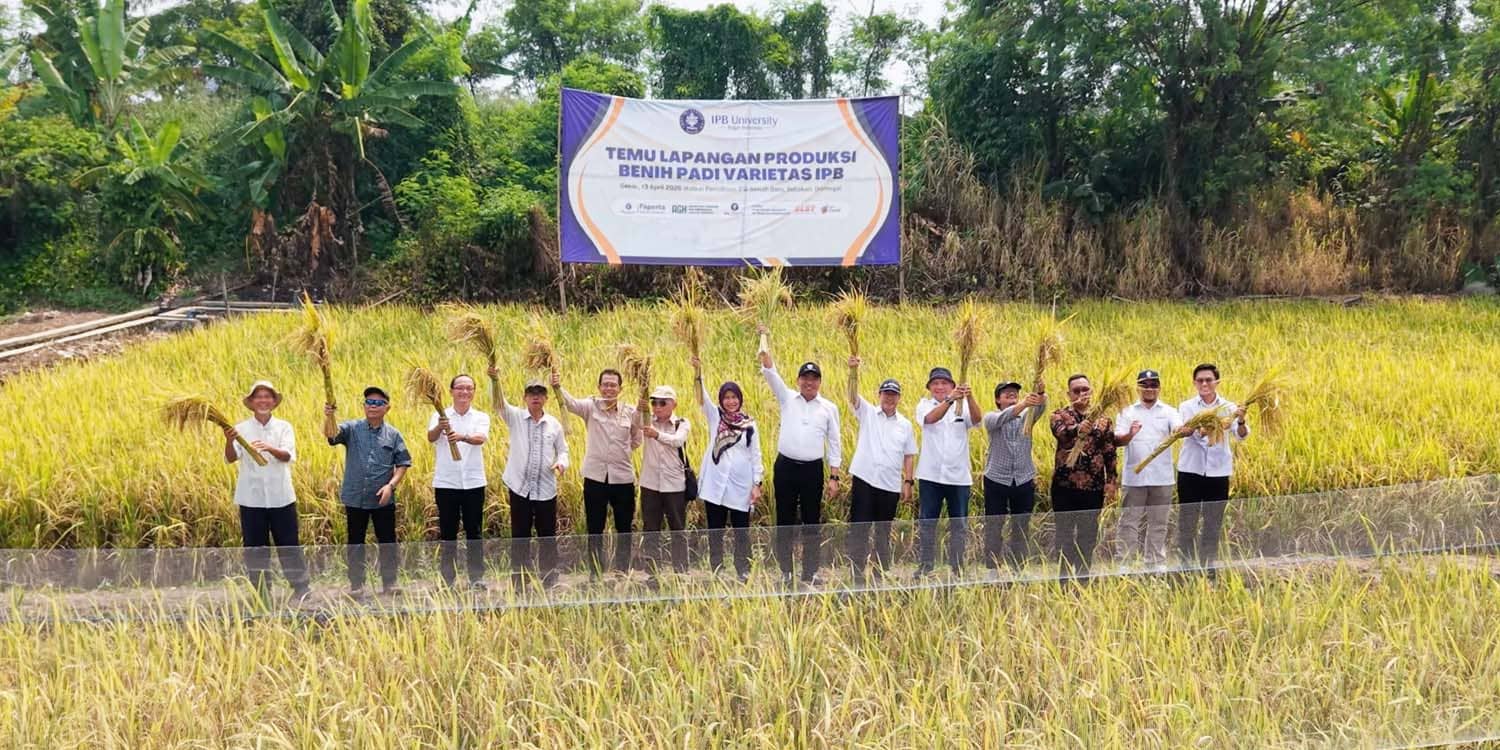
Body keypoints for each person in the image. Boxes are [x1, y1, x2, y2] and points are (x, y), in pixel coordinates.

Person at [758, 326, 842, 585]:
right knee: (784, 521)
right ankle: (785, 572)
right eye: (805, 378)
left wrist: (834, 476)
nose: (809, 382)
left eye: (814, 378)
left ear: (819, 382)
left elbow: (835, 442)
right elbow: (770, 372)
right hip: (785, 468)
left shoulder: (828, 408)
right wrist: (764, 339)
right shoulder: (787, 398)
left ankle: (810, 572)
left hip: (812, 471)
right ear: (798, 380)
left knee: (811, 522)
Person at [223, 380, 309, 600]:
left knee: (288, 544)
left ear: (273, 401)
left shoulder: (284, 427)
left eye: (267, 397)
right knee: (255, 547)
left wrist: (269, 448)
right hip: (251, 498)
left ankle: (301, 588)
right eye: (258, 397)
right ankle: (261, 591)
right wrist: (229, 441)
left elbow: (288, 456)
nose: (263, 400)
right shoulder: (241, 429)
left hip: (281, 496)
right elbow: (231, 458)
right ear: (252, 402)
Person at [553, 367, 643, 576]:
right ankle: (595, 573)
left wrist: (620, 452)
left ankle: (622, 571)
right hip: (595, 478)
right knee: (595, 527)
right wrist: (557, 386)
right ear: (599, 387)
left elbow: (637, 439)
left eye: (613, 385)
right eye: (605, 385)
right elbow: (570, 403)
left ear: (620, 389)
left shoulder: (629, 412)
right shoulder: (590, 406)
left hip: (622, 478)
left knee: (624, 527)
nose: (609, 388)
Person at [324, 386, 412, 597]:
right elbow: (331, 435)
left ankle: (390, 583)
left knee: (387, 541)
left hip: (383, 498)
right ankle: (356, 585)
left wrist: (391, 486)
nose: (373, 406)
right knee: (355, 542)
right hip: (355, 496)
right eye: (369, 402)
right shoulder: (352, 429)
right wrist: (329, 416)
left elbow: (403, 463)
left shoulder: (393, 434)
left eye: (378, 403)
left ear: (387, 408)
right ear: (364, 406)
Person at [1048, 374, 1139, 579]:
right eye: (1076, 391)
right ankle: (1064, 577)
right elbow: (1061, 434)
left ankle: (1083, 576)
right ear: (1069, 394)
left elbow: (1109, 451)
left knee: (1088, 533)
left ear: (1091, 392)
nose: (1081, 394)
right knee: (1064, 532)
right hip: (1064, 486)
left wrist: (1111, 481)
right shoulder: (1059, 415)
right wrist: (1077, 429)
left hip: (1093, 487)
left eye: (1085, 390)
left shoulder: (1103, 420)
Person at [490, 369, 569, 589]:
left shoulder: (554, 424)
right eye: (531, 393)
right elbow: (498, 404)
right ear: (525, 397)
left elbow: (563, 450)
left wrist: (561, 463)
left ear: (546, 398)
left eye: (540, 393)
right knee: (520, 535)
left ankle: (549, 577)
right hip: (520, 487)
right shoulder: (515, 417)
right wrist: (495, 380)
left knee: (547, 534)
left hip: (546, 488)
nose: (536, 397)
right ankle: (519, 579)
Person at [843, 356, 917, 585]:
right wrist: (853, 371)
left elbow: (909, 455)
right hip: (865, 480)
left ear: (899, 398)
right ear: (879, 395)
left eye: (893, 394)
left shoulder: (905, 425)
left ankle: (880, 573)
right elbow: (852, 396)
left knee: (883, 531)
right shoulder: (867, 412)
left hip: (889, 485)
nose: (889, 398)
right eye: (886, 394)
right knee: (860, 528)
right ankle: (857, 573)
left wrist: (908, 482)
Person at [692, 355, 762, 581]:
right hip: (716, 485)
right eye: (726, 397)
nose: (731, 401)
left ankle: (743, 569)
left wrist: (757, 483)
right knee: (716, 530)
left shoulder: (749, 424)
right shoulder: (716, 417)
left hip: (741, 486)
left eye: (734, 397)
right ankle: (717, 569)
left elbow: (755, 454)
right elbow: (702, 397)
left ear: (740, 399)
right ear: (721, 401)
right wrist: (698, 372)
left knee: (742, 531)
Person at [1115, 369, 1191, 571]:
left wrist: (1182, 430)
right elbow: (1117, 440)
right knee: (1129, 522)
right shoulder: (1126, 412)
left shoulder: (1169, 411)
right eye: (1145, 385)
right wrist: (1130, 435)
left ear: (1159, 388)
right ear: (1138, 387)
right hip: (1134, 477)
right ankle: (1125, 563)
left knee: (1159, 522)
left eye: (1154, 385)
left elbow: (1177, 427)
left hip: (1162, 477)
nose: (1149, 389)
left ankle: (1155, 562)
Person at [1176, 363, 1249, 572]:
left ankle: (1208, 567)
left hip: (1218, 472)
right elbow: (1189, 433)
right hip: (1190, 471)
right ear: (1194, 383)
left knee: (1213, 522)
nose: (1204, 384)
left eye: (1209, 380)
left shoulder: (1229, 408)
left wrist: (1240, 420)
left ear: (1217, 382)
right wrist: (1206, 429)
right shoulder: (1186, 407)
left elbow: (1241, 436)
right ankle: (1186, 567)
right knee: (1187, 521)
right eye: (1200, 380)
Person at [913, 366, 982, 577]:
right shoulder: (924, 405)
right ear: (929, 387)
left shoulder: (963, 406)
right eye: (935, 383)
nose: (940, 386)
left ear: (953, 385)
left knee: (959, 524)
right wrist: (950, 400)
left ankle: (958, 567)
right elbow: (930, 419)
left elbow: (977, 420)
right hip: (930, 475)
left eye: (944, 383)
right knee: (927, 523)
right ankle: (926, 566)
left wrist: (969, 397)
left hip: (958, 476)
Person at [426, 373, 491, 590]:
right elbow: (431, 437)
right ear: (451, 391)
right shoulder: (439, 415)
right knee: (448, 533)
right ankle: (447, 580)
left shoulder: (480, 416)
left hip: (473, 482)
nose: (464, 391)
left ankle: (476, 578)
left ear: (473, 392)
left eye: (469, 388)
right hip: (446, 483)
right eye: (460, 388)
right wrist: (441, 426)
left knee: (474, 531)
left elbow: (480, 438)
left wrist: (461, 437)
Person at [981, 380, 1046, 569]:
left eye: (1015, 393)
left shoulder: (1028, 416)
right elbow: (1003, 418)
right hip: (996, 479)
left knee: (1021, 525)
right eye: (1006, 393)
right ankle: (992, 567)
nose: (1012, 394)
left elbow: (1041, 406)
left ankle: (1018, 567)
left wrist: (1041, 393)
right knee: (994, 525)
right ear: (997, 399)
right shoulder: (991, 417)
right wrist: (1024, 403)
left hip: (1023, 479)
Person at [639, 385, 692, 575]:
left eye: (662, 403)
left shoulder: (681, 423)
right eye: (654, 403)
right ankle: (652, 572)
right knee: (651, 529)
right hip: (650, 484)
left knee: (677, 528)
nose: (657, 407)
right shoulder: (646, 420)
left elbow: (677, 441)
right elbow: (631, 423)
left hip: (674, 484)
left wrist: (656, 435)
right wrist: (639, 407)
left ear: (673, 404)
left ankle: (681, 571)